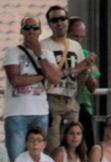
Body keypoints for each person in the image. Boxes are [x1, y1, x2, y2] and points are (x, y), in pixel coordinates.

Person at [2, 15, 60, 162]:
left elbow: (55, 78)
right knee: (16, 158)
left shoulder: (47, 54)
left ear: (40, 31)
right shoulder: (12, 52)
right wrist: (41, 76)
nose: (31, 31)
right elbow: (15, 80)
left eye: (35, 28)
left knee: (37, 158)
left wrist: (39, 54)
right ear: (22, 31)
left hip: (40, 112)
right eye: (27, 28)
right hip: (16, 113)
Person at [41, 6, 93, 152]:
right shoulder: (44, 45)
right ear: (49, 24)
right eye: (54, 20)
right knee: (54, 146)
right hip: (52, 99)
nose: (59, 23)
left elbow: (80, 81)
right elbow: (49, 76)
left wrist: (86, 68)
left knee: (73, 145)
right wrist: (77, 68)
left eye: (62, 19)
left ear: (68, 21)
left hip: (71, 99)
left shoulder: (76, 46)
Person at [67, 17, 98, 149]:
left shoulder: (85, 54)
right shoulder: (59, 53)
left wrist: (87, 68)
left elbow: (93, 87)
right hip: (63, 104)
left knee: (88, 146)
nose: (78, 40)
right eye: (75, 36)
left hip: (83, 105)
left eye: (81, 37)